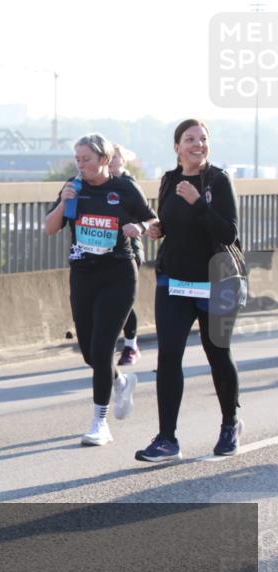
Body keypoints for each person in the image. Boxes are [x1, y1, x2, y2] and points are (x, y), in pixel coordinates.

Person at [136, 119, 242, 462]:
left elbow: (228, 233)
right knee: (168, 357)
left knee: (217, 356)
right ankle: (167, 439)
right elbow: (173, 223)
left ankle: (230, 424)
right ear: (177, 147)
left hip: (215, 283)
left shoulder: (219, 181)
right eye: (190, 139)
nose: (198, 144)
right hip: (174, 282)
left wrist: (199, 203)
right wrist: (158, 228)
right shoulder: (169, 180)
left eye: (203, 139)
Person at [44, 134, 158, 447]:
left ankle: (99, 422)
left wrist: (142, 228)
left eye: (87, 160)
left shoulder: (123, 188)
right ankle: (120, 382)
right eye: (77, 160)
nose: (81, 166)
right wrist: (65, 202)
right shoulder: (73, 187)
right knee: (90, 353)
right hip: (83, 276)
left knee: (105, 346)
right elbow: (50, 227)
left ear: (104, 160)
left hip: (118, 275)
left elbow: (154, 221)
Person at [109, 144, 144, 366]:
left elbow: (149, 217)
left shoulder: (129, 185)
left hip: (129, 250)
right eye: (108, 157)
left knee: (122, 301)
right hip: (105, 252)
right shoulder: (97, 185)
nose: (112, 160)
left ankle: (131, 345)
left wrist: (138, 226)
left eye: (116, 157)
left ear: (123, 160)